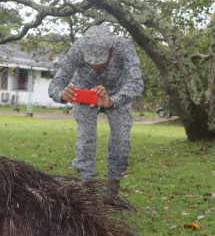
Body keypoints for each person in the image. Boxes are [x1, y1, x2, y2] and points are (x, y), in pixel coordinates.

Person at [48, 26, 144, 188]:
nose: (95, 68)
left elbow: (136, 84)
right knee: (86, 139)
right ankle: (88, 187)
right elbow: (55, 86)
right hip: (84, 94)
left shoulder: (124, 47)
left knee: (121, 139)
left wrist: (112, 101)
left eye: (100, 63)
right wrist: (62, 95)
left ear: (112, 51)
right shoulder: (78, 48)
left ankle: (113, 187)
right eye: (91, 63)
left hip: (115, 95)